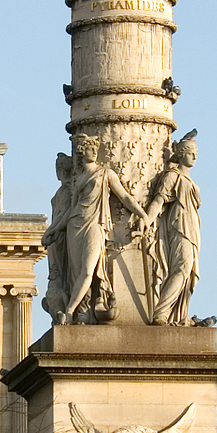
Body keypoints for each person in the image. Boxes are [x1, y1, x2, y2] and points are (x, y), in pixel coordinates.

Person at [62, 136, 143, 322]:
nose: (92, 152)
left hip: (96, 224)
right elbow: (71, 209)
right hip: (76, 225)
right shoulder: (79, 179)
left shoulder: (106, 173)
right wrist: (54, 229)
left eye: (94, 148)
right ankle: (81, 313)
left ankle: (70, 310)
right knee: (76, 272)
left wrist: (142, 214)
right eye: (88, 149)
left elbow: (125, 197)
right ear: (81, 153)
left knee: (89, 270)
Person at [143, 132, 200, 324]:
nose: (195, 155)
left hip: (192, 228)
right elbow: (158, 201)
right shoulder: (171, 177)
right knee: (182, 268)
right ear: (181, 153)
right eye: (191, 151)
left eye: (196, 152)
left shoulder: (188, 180)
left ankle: (179, 313)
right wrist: (146, 220)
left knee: (189, 273)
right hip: (179, 226)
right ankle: (161, 313)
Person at [41, 153, 73, 320]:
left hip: (59, 235)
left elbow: (62, 215)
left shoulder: (66, 191)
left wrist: (51, 230)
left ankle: (63, 307)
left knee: (59, 271)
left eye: (58, 168)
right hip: (56, 235)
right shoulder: (63, 191)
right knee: (56, 271)